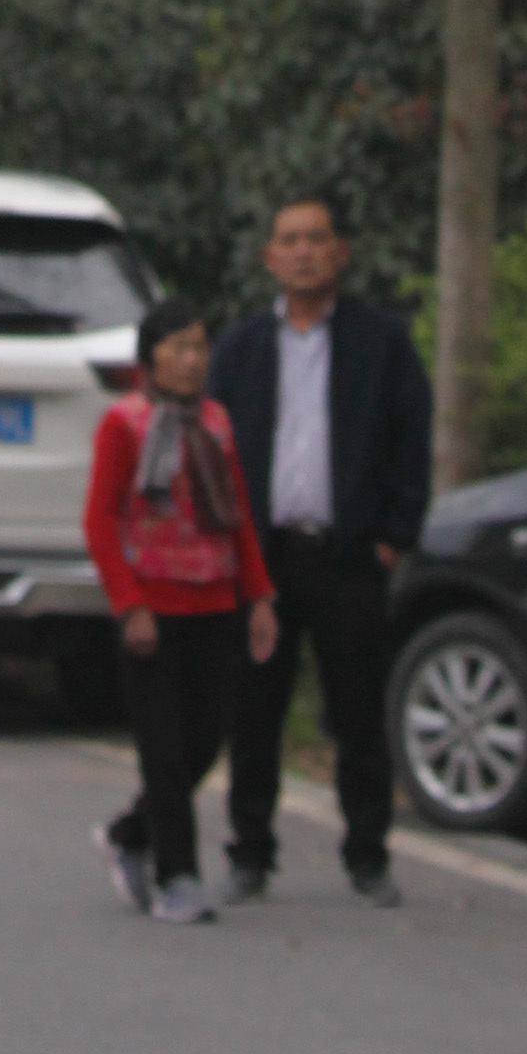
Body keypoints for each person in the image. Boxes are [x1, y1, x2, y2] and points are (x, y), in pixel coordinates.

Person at [209, 191, 434, 908]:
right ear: (270, 257)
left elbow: (412, 436)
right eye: (290, 240)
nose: (304, 251)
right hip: (263, 561)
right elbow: (212, 449)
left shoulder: (381, 342)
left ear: (340, 252)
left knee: (359, 712)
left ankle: (368, 855)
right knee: (254, 713)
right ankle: (250, 852)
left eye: (316, 238)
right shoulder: (242, 348)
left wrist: (394, 536)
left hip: (348, 558)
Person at [84, 295, 277, 925]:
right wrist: (129, 605)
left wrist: (259, 597)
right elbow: (100, 520)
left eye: (200, 347)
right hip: (152, 607)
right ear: (151, 357)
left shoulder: (216, 423)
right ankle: (178, 877)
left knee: (204, 742)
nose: (193, 360)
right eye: (180, 348)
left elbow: (237, 515)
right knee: (163, 748)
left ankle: (131, 833)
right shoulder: (125, 424)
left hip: (214, 602)